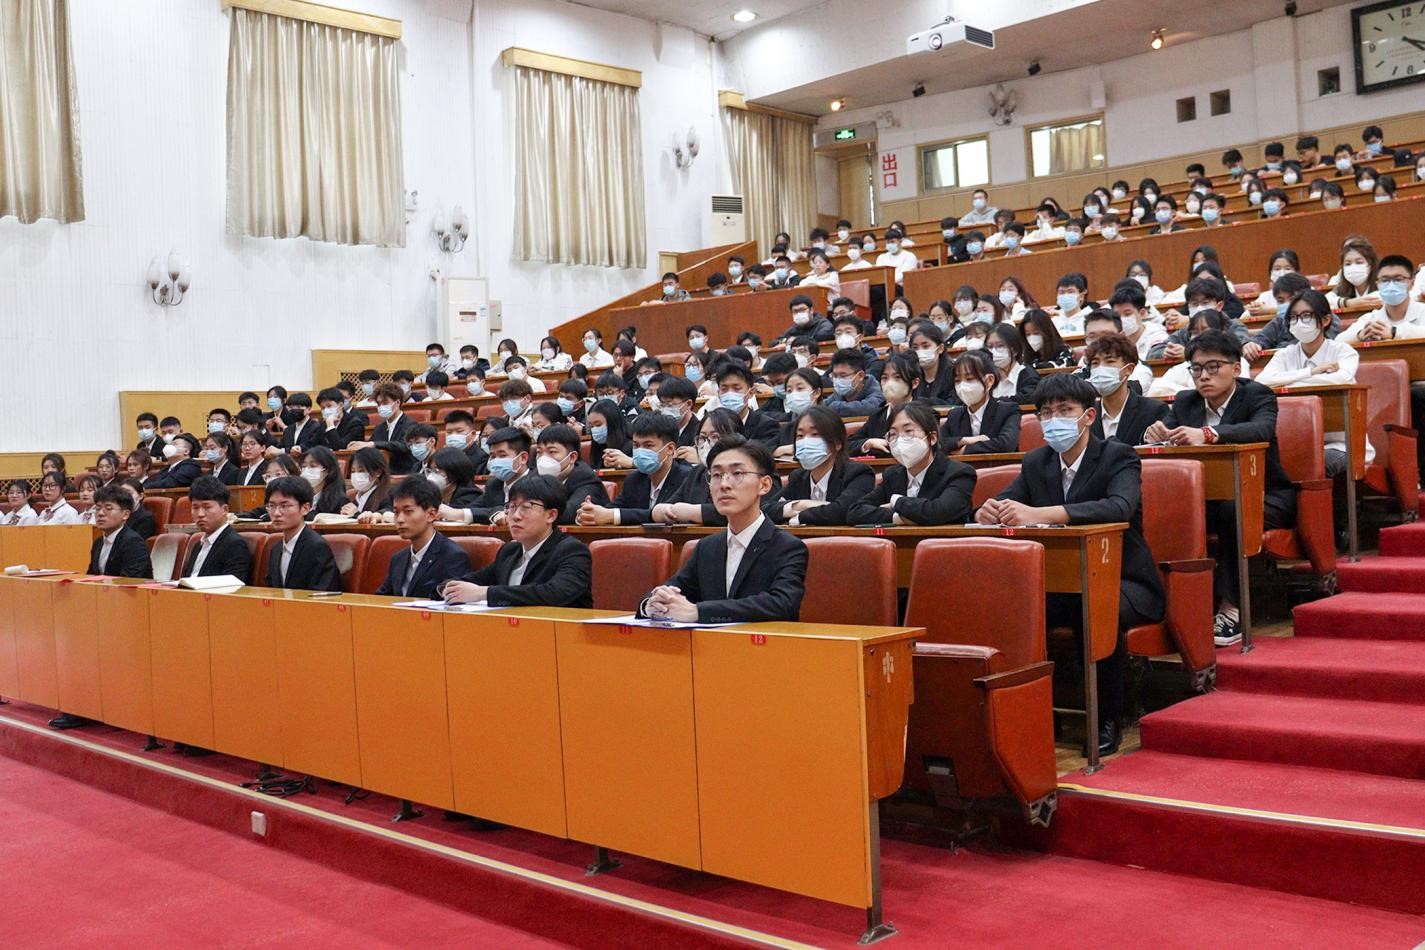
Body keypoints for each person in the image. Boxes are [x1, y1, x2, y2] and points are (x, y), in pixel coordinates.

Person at [977, 373, 1164, 756]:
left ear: (1089, 416)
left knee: (1090, 607)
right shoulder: (1037, 461)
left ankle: (1107, 716)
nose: (1054, 420)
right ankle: (1037, 712)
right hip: (1063, 583)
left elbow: (1118, 507)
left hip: (1125, 581)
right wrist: (987, 510)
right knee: (1015, 607)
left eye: (1064, 410)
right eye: (1046, 413)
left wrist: (1041, 513)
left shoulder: (1118, 455)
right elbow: (1008, 501)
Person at [1143, 331, 1296, 646]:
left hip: (1266, 496)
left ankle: (1231, 608)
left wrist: (1209, 434)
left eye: (1213, 367)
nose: (1204, 376)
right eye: (1196, 369)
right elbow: (1169, 432)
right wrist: (1156, 434)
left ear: (1236, 368)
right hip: (1205, 500)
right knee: (1161, 510)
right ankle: (1170, 606)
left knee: (1231, 509)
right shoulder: (1186, 401)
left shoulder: (1257, 395)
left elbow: (1261, 429)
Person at [638, 437, 806, 623]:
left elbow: (782, 604)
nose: (724, 484)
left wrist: (698, 611)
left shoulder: (787, 547)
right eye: (717, 475)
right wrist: (651, 604)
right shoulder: (706, 547)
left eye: (737, 473)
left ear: (764, 485)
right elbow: (673, 588)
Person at [443, 476, 592, 608]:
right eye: (512, 507)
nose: (515, 516)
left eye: (526, 507)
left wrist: (484, 593)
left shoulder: (572, 551)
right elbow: (471, 580)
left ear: (551, 515)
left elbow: (555, 594)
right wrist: (448, 588)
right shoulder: (510, 551)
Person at [848, 402, 976, 526]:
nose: (900, 440)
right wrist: (896, 518)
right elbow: (855, 512)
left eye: (908, 431)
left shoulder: (959, 473)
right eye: (893, 434)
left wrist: (896, 501)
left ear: (932, 438)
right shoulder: (893, 475)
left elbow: (938, 512)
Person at [578, 412, 696, 526]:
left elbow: (667, 515)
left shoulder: (689, 478)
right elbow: (610, 511)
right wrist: (589, 514)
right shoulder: (634, 479)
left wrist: (613, 516)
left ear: (670, 448)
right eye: (636, 445)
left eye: (648, 445)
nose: (640, 451)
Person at [371, 477, 472, 599]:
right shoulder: (398, 558)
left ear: (431, 515)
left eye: (408, 511)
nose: (400, 519)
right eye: (396, 512)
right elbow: (381, 599)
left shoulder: (453, 557)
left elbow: (452, 602)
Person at [775, 406, 874, 526]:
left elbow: (844, 511)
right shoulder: (798, 477)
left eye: (815, 434)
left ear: (837, 443)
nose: (806, 442)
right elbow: (767, 508)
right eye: (800, 436)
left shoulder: (858, 473)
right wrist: (801, 505)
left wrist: (801, 516)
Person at [1085, 334, 1169, 446]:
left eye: (1109, 361)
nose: (1101, 368)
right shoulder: (1086, 414)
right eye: (1095, 363)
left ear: (1129, 369)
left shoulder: (1154, 410)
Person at [263, 476, 342, 592]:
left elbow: (323, 593)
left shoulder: (316, 547)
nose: (276, 513)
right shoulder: (276, 548)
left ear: (305, 508)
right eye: (272, 506)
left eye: (284, 506)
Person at [941, 350, 1022, 455]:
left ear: (989, 381)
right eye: (957, 380)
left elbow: (1005, 444)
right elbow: (938, 444)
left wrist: (965, 450)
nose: (962, 386)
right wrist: (963, 440)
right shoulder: (955, 415)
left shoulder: (1008, 410)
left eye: (969, 379)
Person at [181, 477, 252, 582]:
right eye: (195, 507)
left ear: (225, 509)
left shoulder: (235, 545)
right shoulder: (197, 545)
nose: (200, 514)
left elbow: (233, 586)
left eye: (207, 507)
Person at [534, 425, 609, 522]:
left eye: (552, 452)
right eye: (539, 452)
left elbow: (567, 514)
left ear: (572, 457)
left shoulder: (586, 479)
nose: (543, 458)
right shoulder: (535, 476)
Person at [850, 353, 918, 457]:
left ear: (914, 383)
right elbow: (849, 444)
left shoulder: (924, 412)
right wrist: (868, 443)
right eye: (885, 378)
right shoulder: (877, 415)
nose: (889, 384)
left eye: (897, 377)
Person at [86, 484, 153, 578]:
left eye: (108, 508)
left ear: (125, 515)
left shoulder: (134, 543)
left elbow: (129, 580)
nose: (100, 513)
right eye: (97, 508)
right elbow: (91, 576)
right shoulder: (98, 543)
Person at [985, 323, 1039, 402]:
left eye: (1000, 346)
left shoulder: (1028, 375)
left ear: (1015, 350)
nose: (993, 352)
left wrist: (997, 403)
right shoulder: (986, 377)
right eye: (990, 347)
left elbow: (1029, 398)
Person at [909, 322, 955, 404]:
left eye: (925, 346)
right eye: (915, 348)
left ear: (940, 348)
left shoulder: (954, 373)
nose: (920, 351)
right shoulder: (911, 375)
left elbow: (954, 403)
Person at [345, 447, 394, 518]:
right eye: (353, 471)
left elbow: (384, 516)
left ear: (378, 472)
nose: (356, 475)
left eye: (361, 471)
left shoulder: (387, 496)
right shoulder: (353, 497)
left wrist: (356, 514)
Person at [299, 446, 348, 516]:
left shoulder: (339, 501)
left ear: (327, 470)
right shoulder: (298, 497)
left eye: (313, 466)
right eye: (304, 466)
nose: (307, 470)